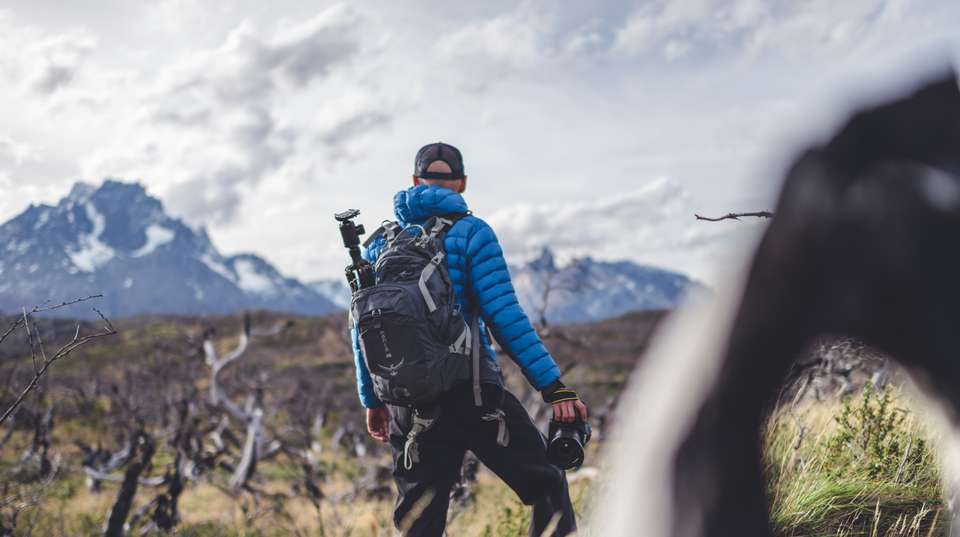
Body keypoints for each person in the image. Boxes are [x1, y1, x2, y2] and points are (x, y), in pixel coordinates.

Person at [351, 141, 588, 537]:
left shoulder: (379, 242)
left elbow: (362, 327)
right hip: (472, 394)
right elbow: (505, 316)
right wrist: (554, 388)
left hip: (407, 404)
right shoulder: (472, 233)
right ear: (461, 183)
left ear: (415, 181)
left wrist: (373, 400)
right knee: (547, 481)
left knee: (419, 523)